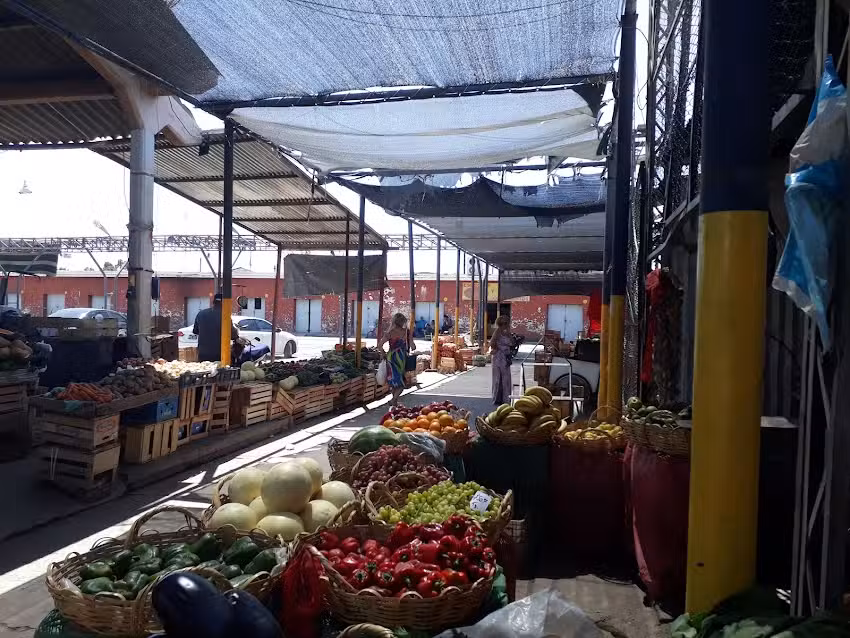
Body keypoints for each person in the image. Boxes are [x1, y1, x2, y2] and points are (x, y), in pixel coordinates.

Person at [378, 312, 413, 407]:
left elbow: (379, 345)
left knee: (393, 381)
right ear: (403, 322)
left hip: (390, 358)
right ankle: (394, 400)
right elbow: (413, 346)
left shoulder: (389, 333)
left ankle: (394, 402)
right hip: (401, 358)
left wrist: (383, 353)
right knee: (401, 383)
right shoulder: (406, 331)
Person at [193, 295, 238, 362]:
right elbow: (233, 335)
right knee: (219, 371)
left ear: (213, 302)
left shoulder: (201, 314)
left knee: (204, 371)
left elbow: (195, 331)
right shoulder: (225, 315)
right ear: (224, 303)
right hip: (219, 354)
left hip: (203, 353)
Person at [489, 314, 513, 405]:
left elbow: (512, 342)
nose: (507, 325)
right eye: (505, 323)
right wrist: (499, 348)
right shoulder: (498, 332)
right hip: (499, 357)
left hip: (504, 357)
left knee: (504, 378)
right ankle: (499, 398)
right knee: (498, 378)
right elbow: (492, 343)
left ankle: (505, 398)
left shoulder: (507, 332)